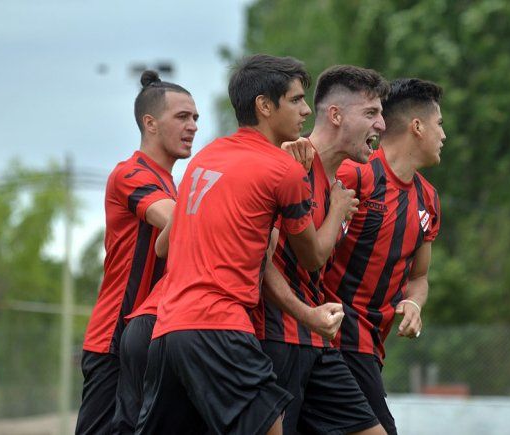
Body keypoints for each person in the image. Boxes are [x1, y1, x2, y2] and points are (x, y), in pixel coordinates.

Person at [135, 54, 357, 435]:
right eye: (296, 99)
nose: (306, 110)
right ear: (264, 106)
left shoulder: (206, 156)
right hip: (219, 326)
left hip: (167, 330)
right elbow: (313, 257)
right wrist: (337, 209)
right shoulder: (284, 170)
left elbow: (164, 247)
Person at [253, 65, 390, 435]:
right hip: (276, 338)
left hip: (317, 342)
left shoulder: (340, 186)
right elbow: (262, 262)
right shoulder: (290, 164)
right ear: (335, 114)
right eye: (371, 113)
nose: (381, 125)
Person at [77, 70, 198, 435]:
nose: (193, 126)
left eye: (195, 118)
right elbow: (177, 221)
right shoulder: (131, 172)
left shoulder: (174, 184)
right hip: (114, 339)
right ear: (150, 123)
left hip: (157, 337)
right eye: (182, 117)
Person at [322, 78, 444, 434]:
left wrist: (415, 305)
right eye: (439, 124)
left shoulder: (429, 200)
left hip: (371, 349)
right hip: (336, 339)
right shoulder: (355, 174)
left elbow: (419, 277)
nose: (444, 135)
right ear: (417, 127)